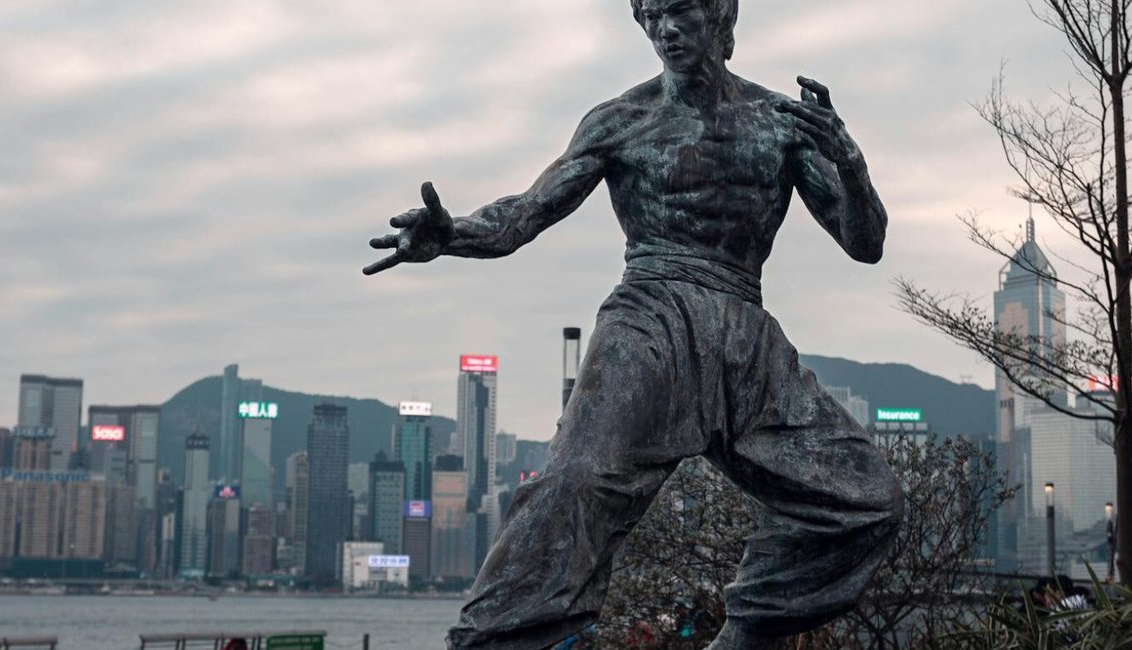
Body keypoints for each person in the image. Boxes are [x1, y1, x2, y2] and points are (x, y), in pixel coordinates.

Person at [362, 0, 902, 648]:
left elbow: (863, 242)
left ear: (720, 13)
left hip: (744, 329)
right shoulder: (621, 121)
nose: (665, 29)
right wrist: (452, 235)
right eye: (650, 16)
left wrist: (852, 163)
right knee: (577, 480)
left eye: (680, 11)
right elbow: (525, 214)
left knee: (867, 500)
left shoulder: (779, 123)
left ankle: (750, 631)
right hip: (652, 316)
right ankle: (498, 640)